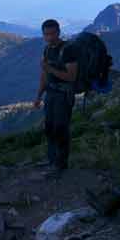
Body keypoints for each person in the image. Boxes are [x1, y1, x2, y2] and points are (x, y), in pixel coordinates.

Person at [32, 18, 78, 179]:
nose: (49, 37)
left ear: (58, 32)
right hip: (51, 94)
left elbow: (71, 76)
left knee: (61, 129)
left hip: (63, 95)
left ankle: (61, 165)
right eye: (46, 34)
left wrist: (49, 68)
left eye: (52, 34)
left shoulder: (68, 49)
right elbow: (44, 75)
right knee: (49, 128)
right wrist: (38, 96)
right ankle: (52, 160)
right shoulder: (47, 50)